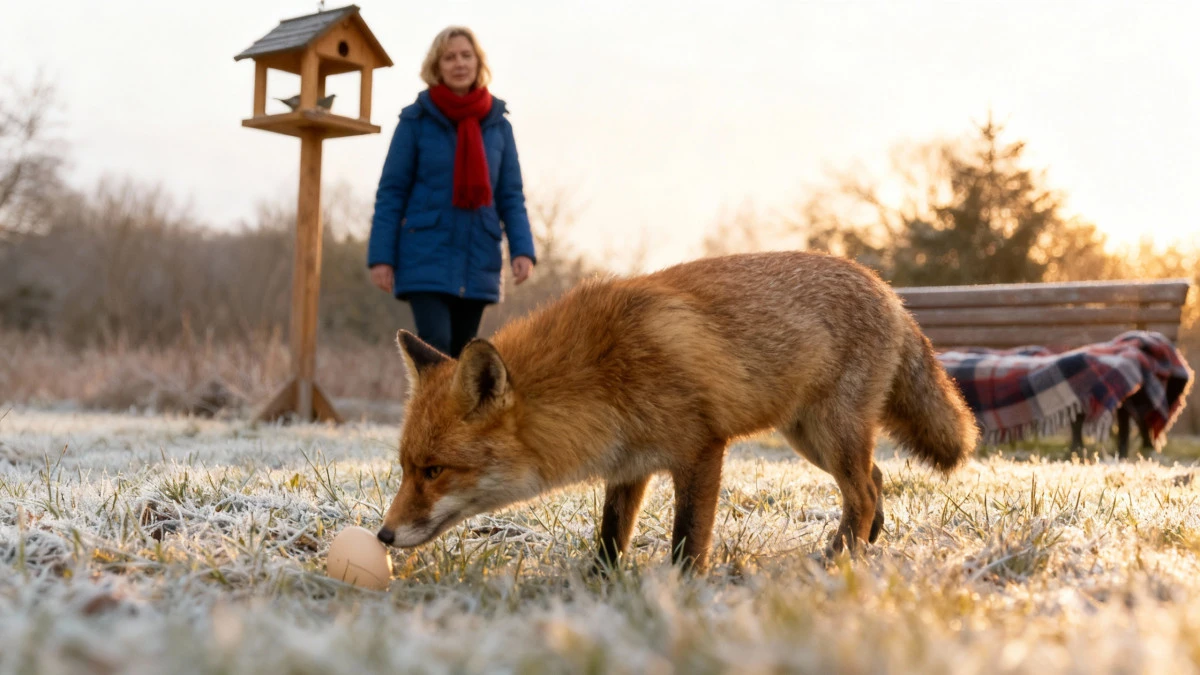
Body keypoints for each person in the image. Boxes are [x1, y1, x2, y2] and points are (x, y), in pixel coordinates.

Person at [367, 26, 536, 359]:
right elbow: (391, 192)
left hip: (478, 257)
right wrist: (381, 257)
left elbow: (511, 196)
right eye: (450, 57)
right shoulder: (415, 120)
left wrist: (523, 250)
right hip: (424, 254)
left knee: (462, 357)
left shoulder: (499, 125)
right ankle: (428, 413)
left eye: (466, 55)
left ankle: (448, 414)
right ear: (437, 66)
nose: (459, 63)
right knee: (435, 347)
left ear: (477, 62)